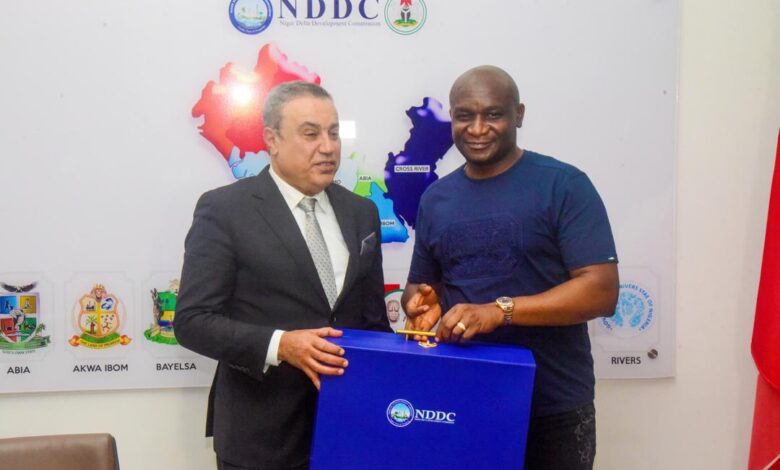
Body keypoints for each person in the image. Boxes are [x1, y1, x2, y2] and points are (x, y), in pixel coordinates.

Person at [402, 66, 619, 470]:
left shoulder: (563, 185)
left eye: (493, 114)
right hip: (460, 401)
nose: (477, 129)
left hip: (551, 407)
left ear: (518, 115)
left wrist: (499, 311)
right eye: (464, 116)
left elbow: (601, 291)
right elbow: (422, 290)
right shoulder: (436, 198)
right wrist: (423, 305)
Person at [175, 81, 390, 470]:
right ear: (272, 140)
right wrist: (281, 344)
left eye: (334, 133)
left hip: (349, 430)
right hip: (260, 438)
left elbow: (373, 322)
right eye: (311, 134)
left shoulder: (362, 212)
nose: (328, 147)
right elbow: (192, 321)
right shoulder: (225, 210)